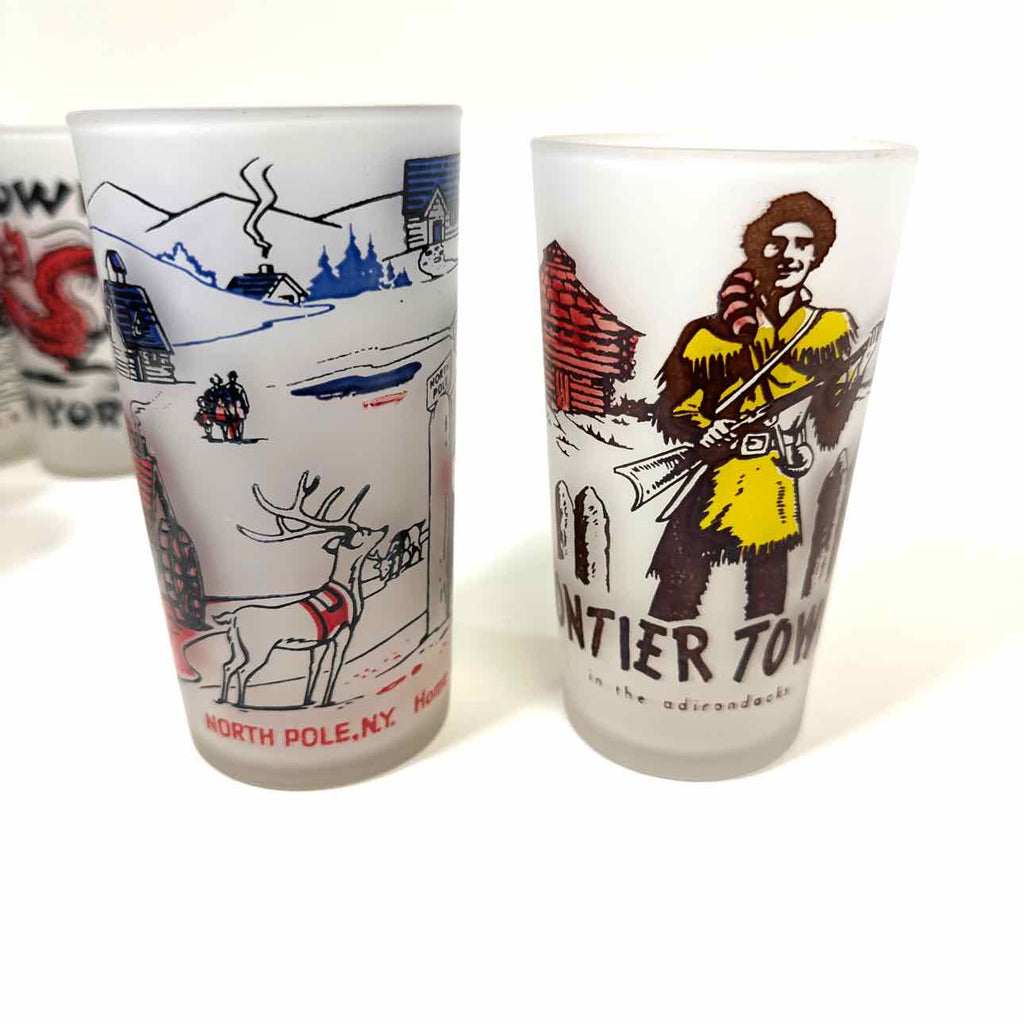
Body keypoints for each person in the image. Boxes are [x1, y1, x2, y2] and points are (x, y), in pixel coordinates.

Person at [648, 191, 860, 622]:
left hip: (775, 483)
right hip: (714, 476)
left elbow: (832, 423)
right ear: (757, 249)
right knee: (677, 590)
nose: (789, 256)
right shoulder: (707, 335)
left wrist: (841, 392)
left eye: (803, 245)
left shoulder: (829, 330)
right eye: (776, 243)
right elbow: (673, 407)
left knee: (768, 603)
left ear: (816, 256)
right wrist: (703, 429)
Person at [223, 370, 249, 442]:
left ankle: (239, 436)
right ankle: (233, 436)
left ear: (236, 378)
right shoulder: (225, 387)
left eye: (234, 378)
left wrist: (246, 406)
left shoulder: (239, 387)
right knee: (230, 421)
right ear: (229, 378)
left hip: (238, 407)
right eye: (231, 378)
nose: (232, 379)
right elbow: (223, 398)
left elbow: (244, 397)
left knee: (239, 421)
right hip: (229, 408)